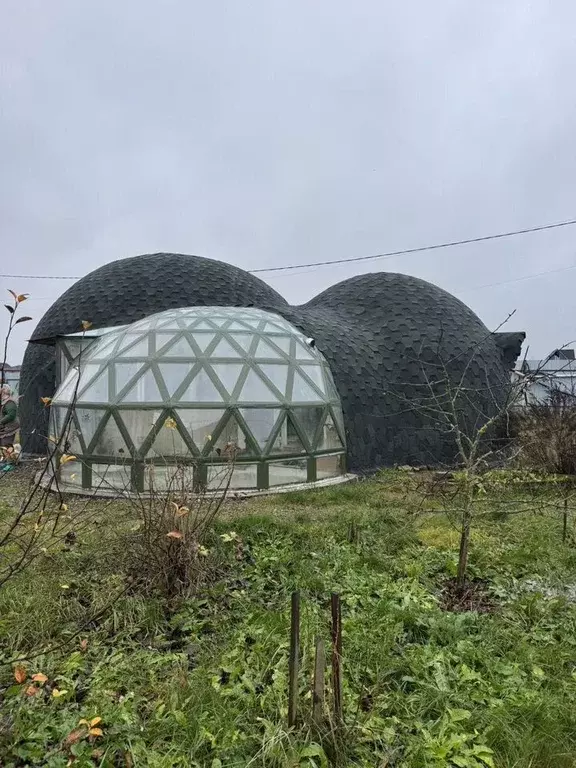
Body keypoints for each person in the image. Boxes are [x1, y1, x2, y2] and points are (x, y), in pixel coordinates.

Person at [0, 385, 19, 460]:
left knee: (6, 444)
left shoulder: (10, 402)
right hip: (4, 427)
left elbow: (11, 415)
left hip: (10, 427)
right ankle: (5, 459)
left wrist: (1, 422)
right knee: (3, 444)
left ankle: (11, 460)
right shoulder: (4, 401)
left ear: (4, 392)